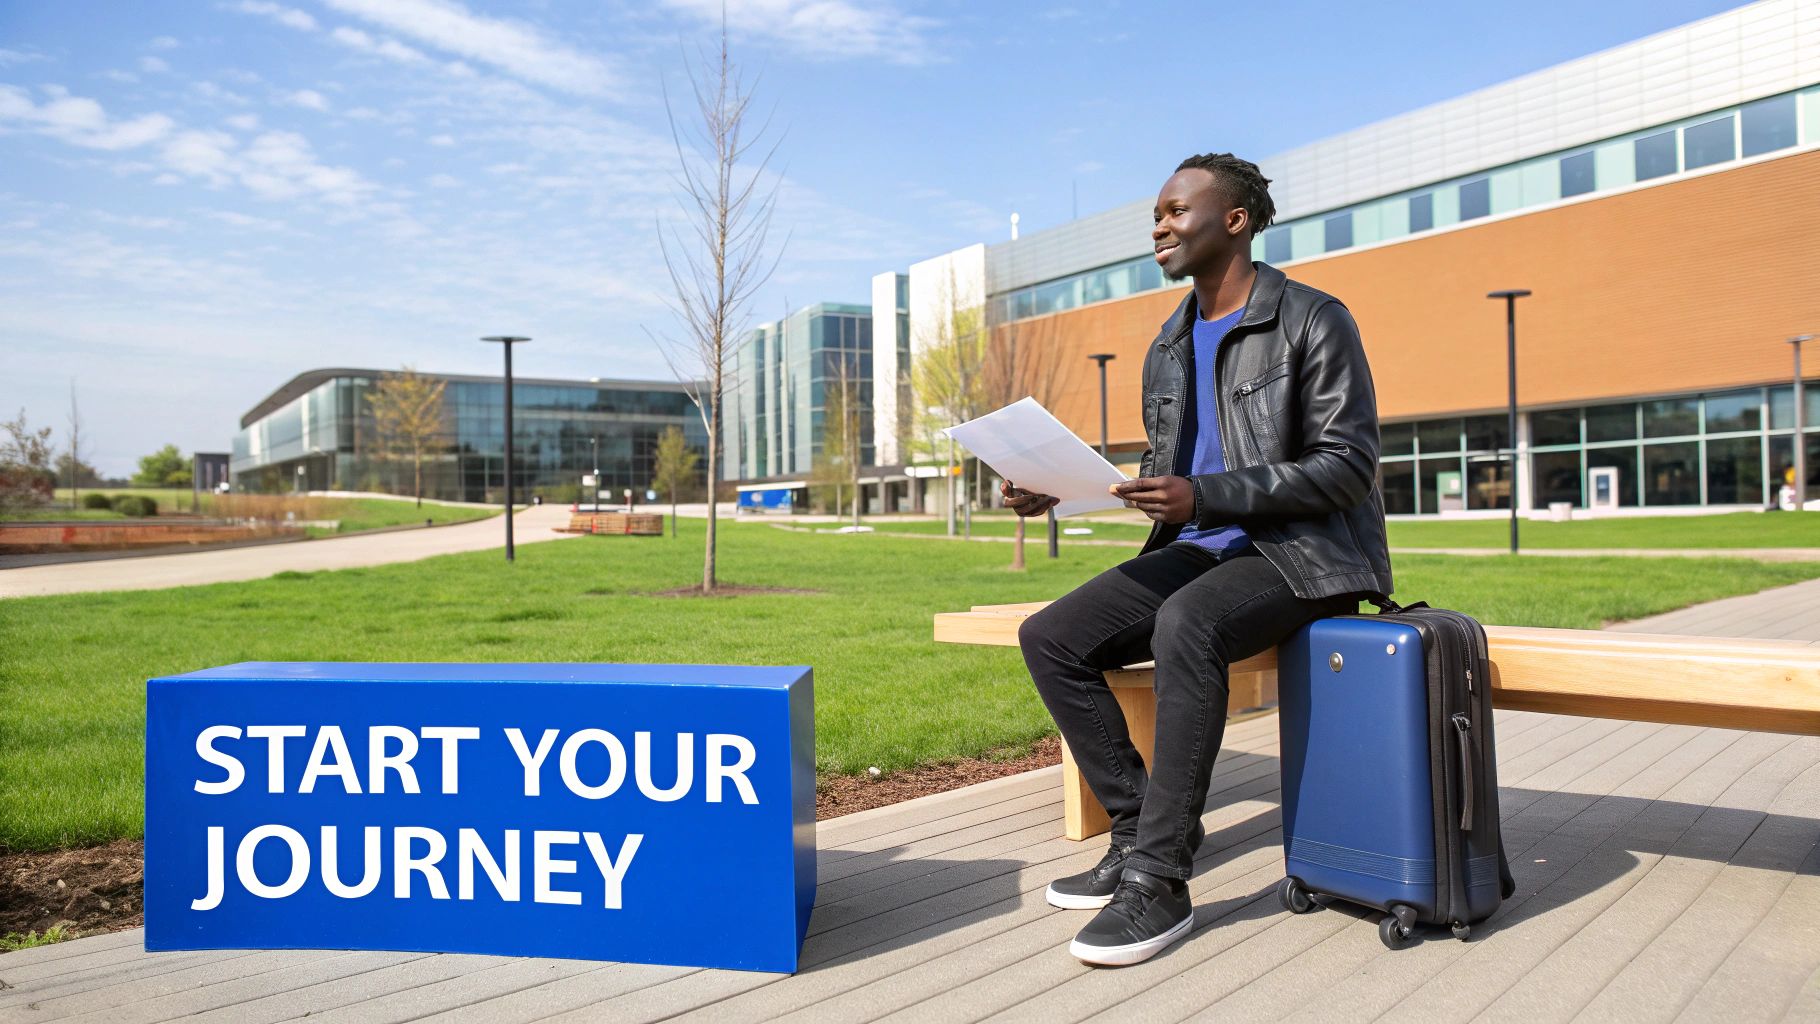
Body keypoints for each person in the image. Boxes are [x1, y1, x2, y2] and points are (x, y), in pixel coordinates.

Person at [1002, 152, 1394, 967]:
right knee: (1052, 636)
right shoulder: (1170, 343)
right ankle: (1140, 826)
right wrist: (1059, 490)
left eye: (1176, 211)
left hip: (1307, 556)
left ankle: (1160, 880)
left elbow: (1347, 469)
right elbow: (1167, 466)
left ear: (1236, 219)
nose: (1160, 227)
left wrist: (1206, 497)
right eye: (1157, 215)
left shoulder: (1315, 320)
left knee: (1187, 624)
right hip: (1201, 546)